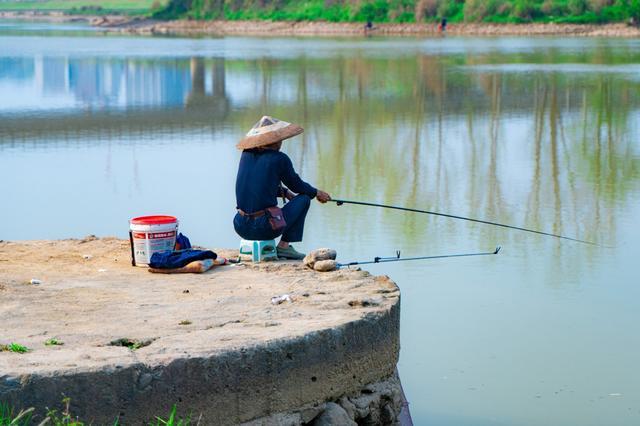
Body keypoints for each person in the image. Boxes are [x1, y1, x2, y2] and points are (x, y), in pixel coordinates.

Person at [233, 116, 331, 260]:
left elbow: (259, 186)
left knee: (299, 197)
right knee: (304, 199)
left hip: (240, 225)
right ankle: (284, 247)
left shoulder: (246, 155)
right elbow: (297, 186)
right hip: (265, 227)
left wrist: (285, 192)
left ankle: (281, 247)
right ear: (274, 141)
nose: (281, 141)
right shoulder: (279, 159)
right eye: (279, 138)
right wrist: (317, 193)